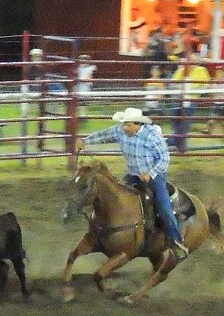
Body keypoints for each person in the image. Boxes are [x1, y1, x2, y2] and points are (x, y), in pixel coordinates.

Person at [76, 106, 189, 259]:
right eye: (124, 124)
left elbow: (164, 158)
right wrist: (85, 141)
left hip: (154, 176)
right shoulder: (121, 131)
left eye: (127, 124)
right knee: (115, 197)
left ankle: (176, 241)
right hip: (133, 174)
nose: (124, 127)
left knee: (163, 207)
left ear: (137, 124)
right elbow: (104, 135)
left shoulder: (151, 136)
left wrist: (150, 174)